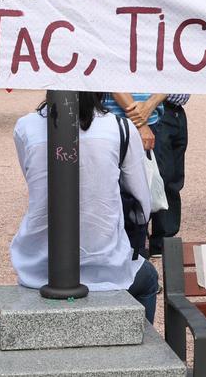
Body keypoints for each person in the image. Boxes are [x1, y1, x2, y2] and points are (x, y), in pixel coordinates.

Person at [11, 92, 159, 322]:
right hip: (106, 264)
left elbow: (33, 180)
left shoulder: (25, 127)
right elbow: (143, 202)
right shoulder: (120, 128)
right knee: (149, 278)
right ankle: (145, 349)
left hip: (37, 265)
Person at [149, 93, 188, 258]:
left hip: (178, 109)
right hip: (158, 107)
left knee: (174, 177)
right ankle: (157, 240)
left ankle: (166, 237)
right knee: (160, 174)